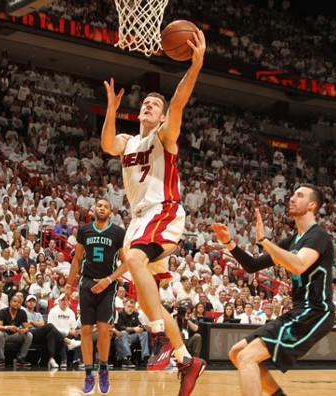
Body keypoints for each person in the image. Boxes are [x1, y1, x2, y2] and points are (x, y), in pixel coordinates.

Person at [100, 26, 207, 395]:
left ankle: (160, 338)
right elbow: (107, 143)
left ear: (162, 118)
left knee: (133, 258)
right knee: (150, 303)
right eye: (144, 102)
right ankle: (186, 358)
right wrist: (111, 111)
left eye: (154, 104)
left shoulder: (164, 136)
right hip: (139, 220)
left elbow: (178, 102)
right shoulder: (129, 141)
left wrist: (195, 66)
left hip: (162, 211)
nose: (148, 104)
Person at [211, 184, 335, 396]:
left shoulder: (319, 236)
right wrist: (229, 243)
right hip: (298, 311)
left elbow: (298, 265)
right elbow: (252, 266)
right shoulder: (292, 240)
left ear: (312, 205)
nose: (292, 198)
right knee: (237, 352)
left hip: (315, 312)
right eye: (293, 194)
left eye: (300, 195)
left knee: (246, 357)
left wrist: (264, 241)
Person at [66, 198, 128, 394]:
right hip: (86, 284)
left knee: (103, 330)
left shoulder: (118, 233)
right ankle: (88, 375)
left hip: (107, 286)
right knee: (85, 330)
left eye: (105, 206)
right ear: (94, 209)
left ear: (111, 212)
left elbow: (126, 264)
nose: (101, 208)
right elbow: (77, 259)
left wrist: (109, 281)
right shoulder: (84, 230)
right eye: (99, 205)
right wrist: (69, 284)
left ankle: (103, 369)